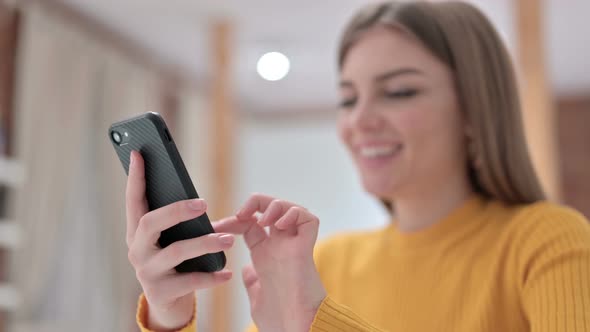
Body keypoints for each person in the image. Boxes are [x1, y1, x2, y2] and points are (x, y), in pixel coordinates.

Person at [127, 1, 590, 331]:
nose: (359, 121)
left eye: (399, 91)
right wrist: (170, 315)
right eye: (348, 98)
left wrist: (314, 320)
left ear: (474, 109)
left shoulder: (548, 241)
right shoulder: (325, 262)